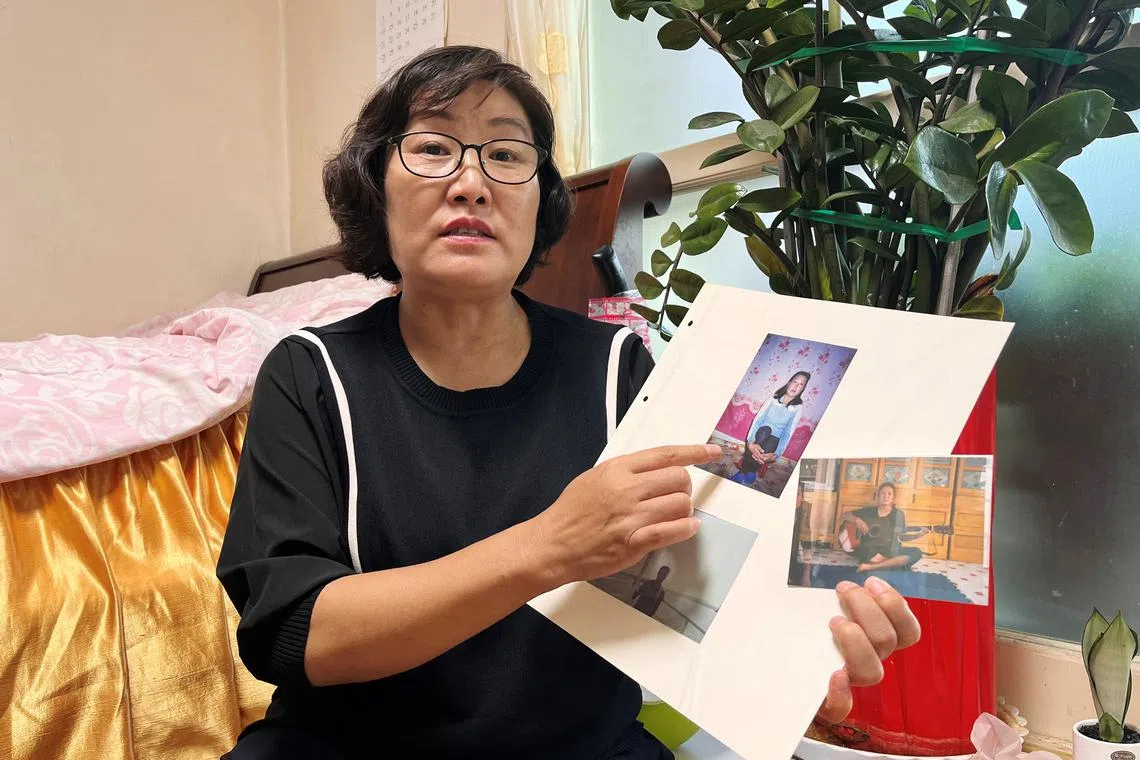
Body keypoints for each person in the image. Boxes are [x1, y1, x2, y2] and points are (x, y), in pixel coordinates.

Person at [215, 45, 920, 760]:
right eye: (432, 148)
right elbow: (295, 634)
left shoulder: (617, 366)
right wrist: (549, 547)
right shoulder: (310, 373)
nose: (471, 184)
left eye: (506, 154)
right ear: (376, 185)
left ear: (539, 196)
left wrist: (797, 649)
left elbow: (702, 574)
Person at [731, 371, 809, 485]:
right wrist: (751, 442)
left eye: (801, 384)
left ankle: (749, 470)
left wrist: (777, 454)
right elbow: (758, 420)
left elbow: (788, 433)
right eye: (795, 382)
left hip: (774, 440)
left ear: (803, 389)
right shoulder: (772, 399)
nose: (796, 386)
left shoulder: (798, 408)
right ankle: (745, 471)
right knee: (765, 430)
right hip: (761, 434)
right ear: (789, 383)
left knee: (770, 443)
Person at [839, 482, 925, 573]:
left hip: (889, 549)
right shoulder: (868, 511)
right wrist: (857, 521)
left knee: (917, 552)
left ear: (893, 497)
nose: (886, 496)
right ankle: (892, 563)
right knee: (864, 549)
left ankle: (871, 567)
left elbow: (901, 536)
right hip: (870, 549)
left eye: (889, 494)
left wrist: (918, 535)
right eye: (883, 493)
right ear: (878, 496)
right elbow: (845, 515)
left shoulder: (898, 514)